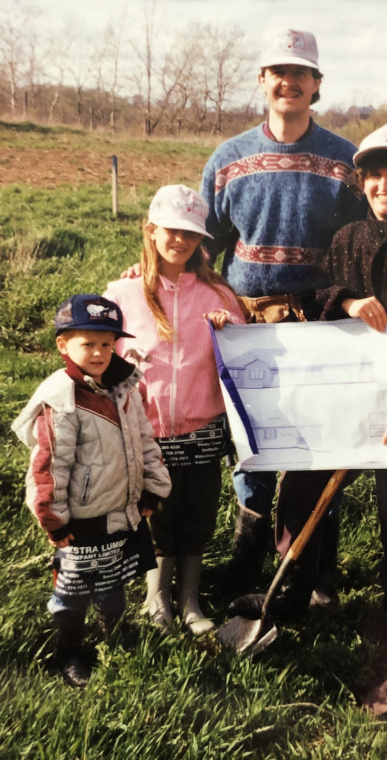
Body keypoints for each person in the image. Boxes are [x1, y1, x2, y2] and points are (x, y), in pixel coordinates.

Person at [239, 125, 387, 640]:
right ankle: (294, 587)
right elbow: (321, 290)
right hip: (346, 399)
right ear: (361, 181)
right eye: (374, 175)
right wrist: (344, 299)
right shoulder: (347, 239)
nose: (383, 184)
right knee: (302, 486)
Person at [200, 27, 366, 599]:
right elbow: (201, 242)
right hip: (248, 324)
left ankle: (314, 567)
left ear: (317, 84)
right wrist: (150, 274)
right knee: (252, 445)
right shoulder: (229, 158)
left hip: (322, 325)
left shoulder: (346, 161)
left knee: (318, 447)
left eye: (301, 73)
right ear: (263, 79)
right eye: (278, 71)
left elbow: (367, 242)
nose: (288, 81)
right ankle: (247, 563)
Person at [105, 185, 245, 635]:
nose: (180, 241)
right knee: (157, 514)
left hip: (203, 428)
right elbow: (101, 355)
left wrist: (229, 331)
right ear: (151, 230)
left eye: (191, 233)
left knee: (197, 515)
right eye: (171, 230)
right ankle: (156, 599)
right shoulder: (124, 293)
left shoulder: (219, 294)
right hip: (150, 431)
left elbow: (242, 358)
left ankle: (190, 601)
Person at [11, 294, 171, 687]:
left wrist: (152, 489)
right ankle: (71, 650)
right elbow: (49, 467)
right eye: (88, 343)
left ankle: (112, 640)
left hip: (118, 511)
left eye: (106, 343)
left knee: (112, 584)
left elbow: (144, 440)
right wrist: (53, 518)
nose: (99, 353)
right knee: (73, 590)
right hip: (78, 522)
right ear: (63, 344)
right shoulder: (62, 400)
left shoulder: (124, 387)